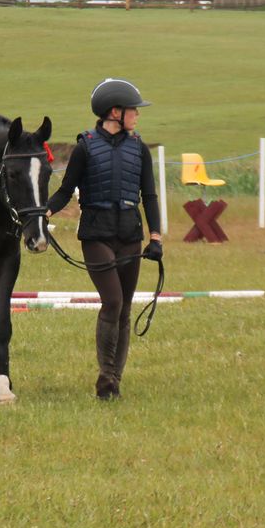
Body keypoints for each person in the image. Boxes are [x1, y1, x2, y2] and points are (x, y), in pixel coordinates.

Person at [45, 78, 163, 400]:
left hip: (129, 234)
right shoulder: (85, 147)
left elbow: (150, 196)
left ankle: (113, 380)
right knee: (112, 301)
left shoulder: (139, 149)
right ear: (115, 112)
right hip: (96, 233)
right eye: (133, 110)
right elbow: (65, 191)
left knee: (124, 309)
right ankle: (106, 374)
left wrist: (155, 237)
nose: (137, 115)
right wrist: (45, 212)